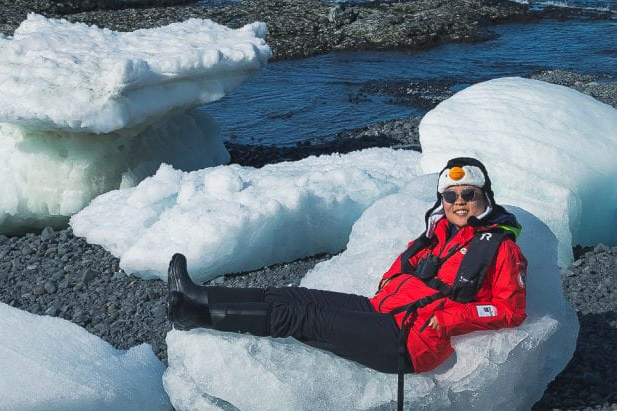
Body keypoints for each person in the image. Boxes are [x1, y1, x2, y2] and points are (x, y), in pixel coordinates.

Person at [167, 156, 527, 385]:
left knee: (298, 315)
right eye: (451, 196)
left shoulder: (500, 248)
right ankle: (201, 295)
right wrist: (391, 281)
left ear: (485, 198)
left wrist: (452, 320)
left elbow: (509, 310)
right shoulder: (438, 233)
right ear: (442, 201)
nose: (459, 202)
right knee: (294, 295)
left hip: (411, 343)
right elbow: (404, 264)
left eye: (469, 194)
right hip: (385, 311)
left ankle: (198, 316)